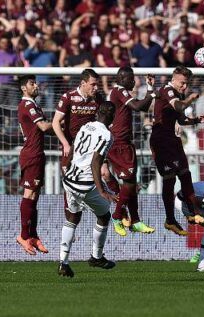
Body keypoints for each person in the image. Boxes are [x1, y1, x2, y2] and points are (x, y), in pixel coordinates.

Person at [150, 65, 204, 236]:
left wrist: (196, 120)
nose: (184, 87)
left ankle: (194, 214)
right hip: (160, 140)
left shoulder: (179, 93)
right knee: (169, 180)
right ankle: (170, 220)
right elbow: (178, 107)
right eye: (182, 83)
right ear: (175, 77)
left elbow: (181, 119)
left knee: (185, 174)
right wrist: (190, 98)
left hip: (172, 140)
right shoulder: (167, 90)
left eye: (186, 84)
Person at [58, 101, 118, 277]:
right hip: (86, 184)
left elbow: (74, 149)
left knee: (72, 217)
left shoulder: (85, 126)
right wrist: (101, 190)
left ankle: (63, 262)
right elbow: (95, 162)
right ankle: (96, 257)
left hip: (69, 179)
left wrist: (66, 167)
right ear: (112, 117)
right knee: (104, 216)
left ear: (97, 112)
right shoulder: (107, 135)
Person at [106, 66, 156, 236]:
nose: (134, 81)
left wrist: (150, 89)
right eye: (131, 78)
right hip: (119, 144)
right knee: (129, 184)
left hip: (125, 143)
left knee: (131, 183)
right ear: (122, 79)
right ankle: (117, 216)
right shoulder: (120, 91)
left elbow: (144, 105)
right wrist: (151, 94)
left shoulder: (119, 92)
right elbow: (138, 106)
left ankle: (135, 220)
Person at [53, 69, 104, 226]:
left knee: (101, 176)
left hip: (90, 149)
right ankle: (70, 221)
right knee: (69, 182)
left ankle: (113, 213)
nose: (96, 88)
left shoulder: (98, 99)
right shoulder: (68, 97)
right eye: (93, 85)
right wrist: (66, 144)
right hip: (71, 148)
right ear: (83, 83)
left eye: (97, 85)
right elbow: (55, 123)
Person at [16, 75, 53, 255]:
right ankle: (23, 235)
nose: (36, 85)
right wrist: (63, 119)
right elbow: (45, 127)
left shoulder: (34, 105)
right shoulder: (28, 105)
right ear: (24, 88)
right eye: (32, 83)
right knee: (29, 194)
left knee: (35, 197)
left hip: (37, 154)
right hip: (31, 155)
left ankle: (33, 235)